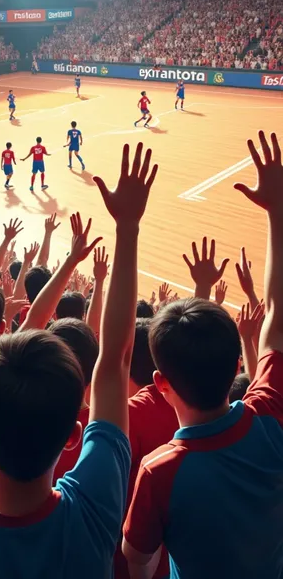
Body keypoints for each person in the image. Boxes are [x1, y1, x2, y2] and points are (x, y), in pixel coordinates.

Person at [0, 141, 158, 578]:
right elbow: (115, 362)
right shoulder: (96, 504)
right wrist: (128, 229)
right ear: (73, 435)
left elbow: (112, 363)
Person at [122, 129, 283, 579]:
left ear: (162, 384)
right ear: (238, 366)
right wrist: (278, 213)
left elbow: (139, 563)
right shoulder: (270, 419)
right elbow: (276, 322)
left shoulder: (158, 472)